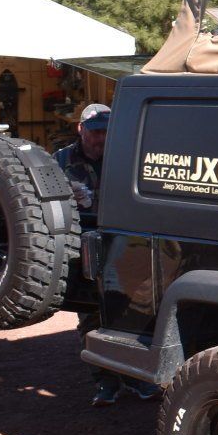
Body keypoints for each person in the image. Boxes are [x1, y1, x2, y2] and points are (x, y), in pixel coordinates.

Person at [55, 104, 154, 406]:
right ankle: (105, 382)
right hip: (82, 245)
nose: (102, 138)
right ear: (81, 129)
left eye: (107, 131)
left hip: (122, 242)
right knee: (90, 316)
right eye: (96, 131)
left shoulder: (124, 155)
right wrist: (66, 197)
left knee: (131, 311)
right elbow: (42, 204)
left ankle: (136, 377)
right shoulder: (60, 160)